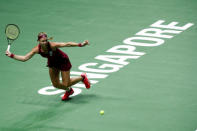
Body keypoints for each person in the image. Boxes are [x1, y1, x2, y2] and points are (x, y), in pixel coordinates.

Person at [5, 32, 91, 101]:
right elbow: (25, 58)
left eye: (46, 40)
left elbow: (66, 44)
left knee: (66, 83)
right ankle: (69, 91)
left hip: (63, 61)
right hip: (53, 63)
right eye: (43, 41)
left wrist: (80, 44)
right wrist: (12, 55)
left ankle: (82, 78)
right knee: (56, 84)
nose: (45, 42)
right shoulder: (36, 49)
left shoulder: (52, 45)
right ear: (38, 41)